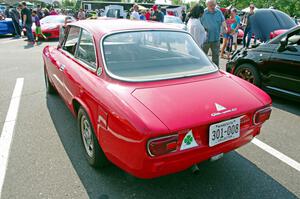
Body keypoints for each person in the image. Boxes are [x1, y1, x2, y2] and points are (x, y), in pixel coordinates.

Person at [201, 0, 227, 66]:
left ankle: (216, 71)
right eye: (211, 5)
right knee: (203, 57)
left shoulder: (218, 12)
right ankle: (204, 71)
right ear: (207, 5)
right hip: (205, 40)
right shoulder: (203, 12)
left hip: (216, 39)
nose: (213, 7)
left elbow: (223, 21)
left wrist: (225, 27)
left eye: (214, 5)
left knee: (216, 57)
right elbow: (199, 24)